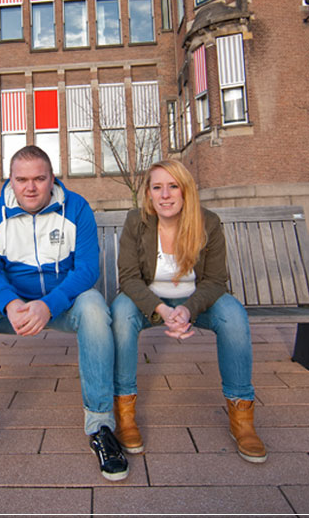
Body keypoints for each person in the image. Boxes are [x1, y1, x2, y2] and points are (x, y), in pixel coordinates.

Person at [0, 145, 128, 482]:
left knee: (96, 309)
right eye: (22, 179)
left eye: (39, 178)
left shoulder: (77, 208)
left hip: (63, 304)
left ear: (52, 178)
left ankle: (100, 425)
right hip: (15, 307)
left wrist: (48, 305)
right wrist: (11, 303)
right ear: (11, 179)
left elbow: (85, 270)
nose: (31, 187)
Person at [110, 160, 266, 463]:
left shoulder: (208, 222)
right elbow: (128, 277)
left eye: (173, 186)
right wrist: (161, 310)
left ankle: (242, 417)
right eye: (157, 187)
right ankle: (125, 416)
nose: (165, 195)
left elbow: (216, 281)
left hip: (196, 301)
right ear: (149, 194)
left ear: (186, 191)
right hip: (148, 301)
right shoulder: (136, 221)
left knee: (234, 315)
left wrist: (186, 309)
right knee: (120, 314)